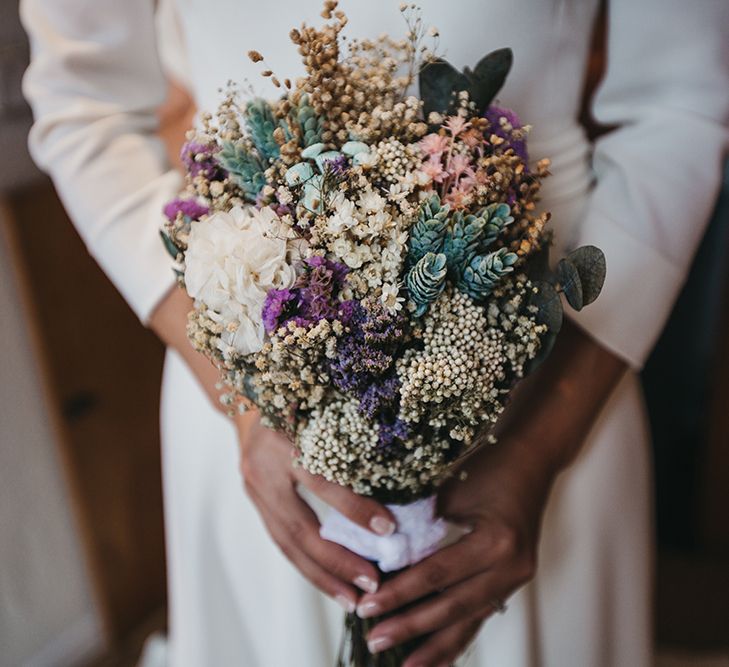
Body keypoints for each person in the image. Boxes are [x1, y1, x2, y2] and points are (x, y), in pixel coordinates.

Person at [20, 1, 729, 665]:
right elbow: (84, 105)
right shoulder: (249, 406)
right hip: (255, 404)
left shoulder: (546, 429)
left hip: (557, 374)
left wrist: (537, 447)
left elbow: (681, 105)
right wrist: (247, 405)